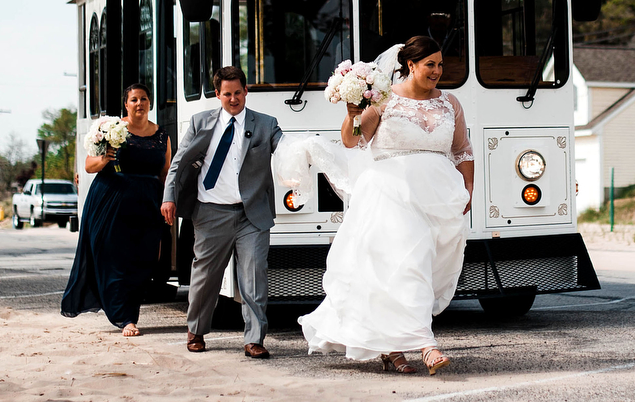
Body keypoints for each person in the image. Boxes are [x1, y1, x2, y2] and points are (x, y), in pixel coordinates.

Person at [299, 35, 474, 375]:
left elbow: (462, 150)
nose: (437, 71)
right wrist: (352, 113)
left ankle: (392, 348)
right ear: (410, 65)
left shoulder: (451, 103)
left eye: (440, 65)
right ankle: (427, 344)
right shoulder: (383, 101)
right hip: (390, 193)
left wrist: (468, 188)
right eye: (430, 65)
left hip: (438, 196)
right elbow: (352, 141)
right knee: (411, 262)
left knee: (414, 269)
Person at [161, 66, 283, 359]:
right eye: (226, 94)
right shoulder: (200, 121)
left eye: (238, 93)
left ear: (246, 91)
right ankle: (196, 331)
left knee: (254, 276)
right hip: (210, 212)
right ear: (217, 94)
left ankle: (254, 339)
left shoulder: (266, 124)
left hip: (251, 214)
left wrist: (305, 155)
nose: (233, 99)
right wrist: (169, 197)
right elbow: (178, 163)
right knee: (206, 277)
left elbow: (285, 149)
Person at [61, 83, 172, 337]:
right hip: (111, 202)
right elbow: (89, 166)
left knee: (143, 261)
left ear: (150, 104)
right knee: (115, 259)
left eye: (144, 99)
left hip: (147, 205)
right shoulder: (110, 129)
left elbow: (165, 173)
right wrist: (105, 158)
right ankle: (126, 318)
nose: (139, 104)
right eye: (134, 99)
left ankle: (126, 310)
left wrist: (169, 201)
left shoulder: (162, 135)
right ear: (126, 104)